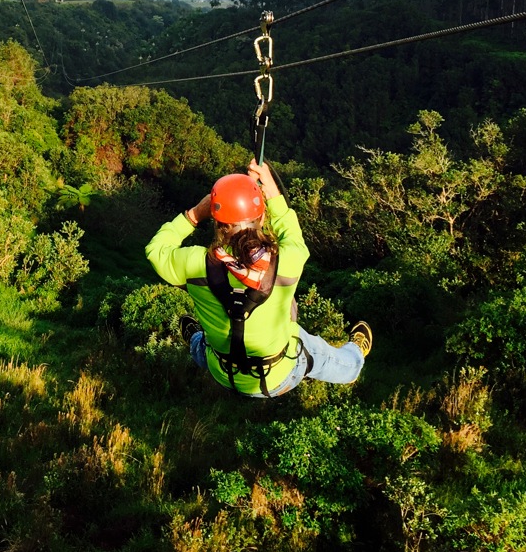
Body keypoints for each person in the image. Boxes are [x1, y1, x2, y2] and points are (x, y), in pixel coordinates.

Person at [146, 160, 372, 398]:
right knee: (313, 349)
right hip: (279, 374)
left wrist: (194, 214)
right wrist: (270, 187)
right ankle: (355, 358)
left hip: (222, 371)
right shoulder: (288, 260)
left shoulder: (193, 263)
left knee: (204, 343)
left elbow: (155, 250)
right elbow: (290, 230)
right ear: (262, 218)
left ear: (216, 222)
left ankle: (195, 339)